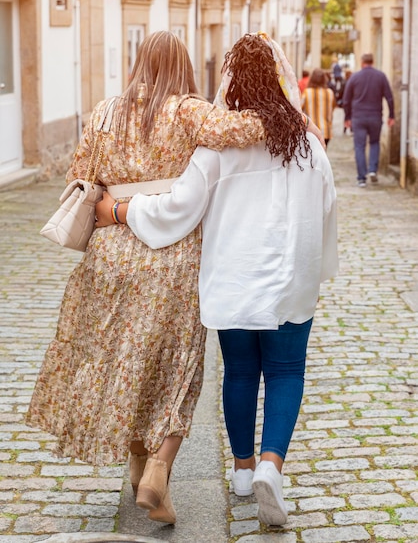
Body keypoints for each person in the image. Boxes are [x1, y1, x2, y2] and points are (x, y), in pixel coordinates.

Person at [26, 30, 273, 526]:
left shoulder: (103, 113)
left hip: (111, 254)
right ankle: (158, 469)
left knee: (126, 364)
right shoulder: (186, 110)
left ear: (139, 61)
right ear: (182, 65)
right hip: (171, 257)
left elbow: (80, 173)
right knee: (177, 369)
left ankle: (139, 468)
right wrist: (281, 107)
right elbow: (242, 131)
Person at [96, 32, 339, 526]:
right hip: (291, 278)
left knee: (241, 373)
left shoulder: (216, 149)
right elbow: (327, 208)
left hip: (234, 279)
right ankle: (273, 464)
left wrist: (121, 209)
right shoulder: (308, 145)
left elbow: (179, 209)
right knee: (287, 372)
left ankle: (244, 472)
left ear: (231, 82)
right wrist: (320, 269)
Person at [343, 53, 394, 187]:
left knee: (359, 146)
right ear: (373, 61)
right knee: (375, 142)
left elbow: (346, 100)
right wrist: (391, 115)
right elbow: (389, 97)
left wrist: (347, 117)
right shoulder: (381, 76)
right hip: (375, 116)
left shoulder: (354, 77)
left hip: (358, 117)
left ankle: (361, 178)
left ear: (361, 62)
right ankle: (372, 170)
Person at [301, 68, 336, 148]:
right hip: (326, 130)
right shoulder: (330, 92)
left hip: (312, 130)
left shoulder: (307, 92)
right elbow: (333, 107)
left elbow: (298, 109)